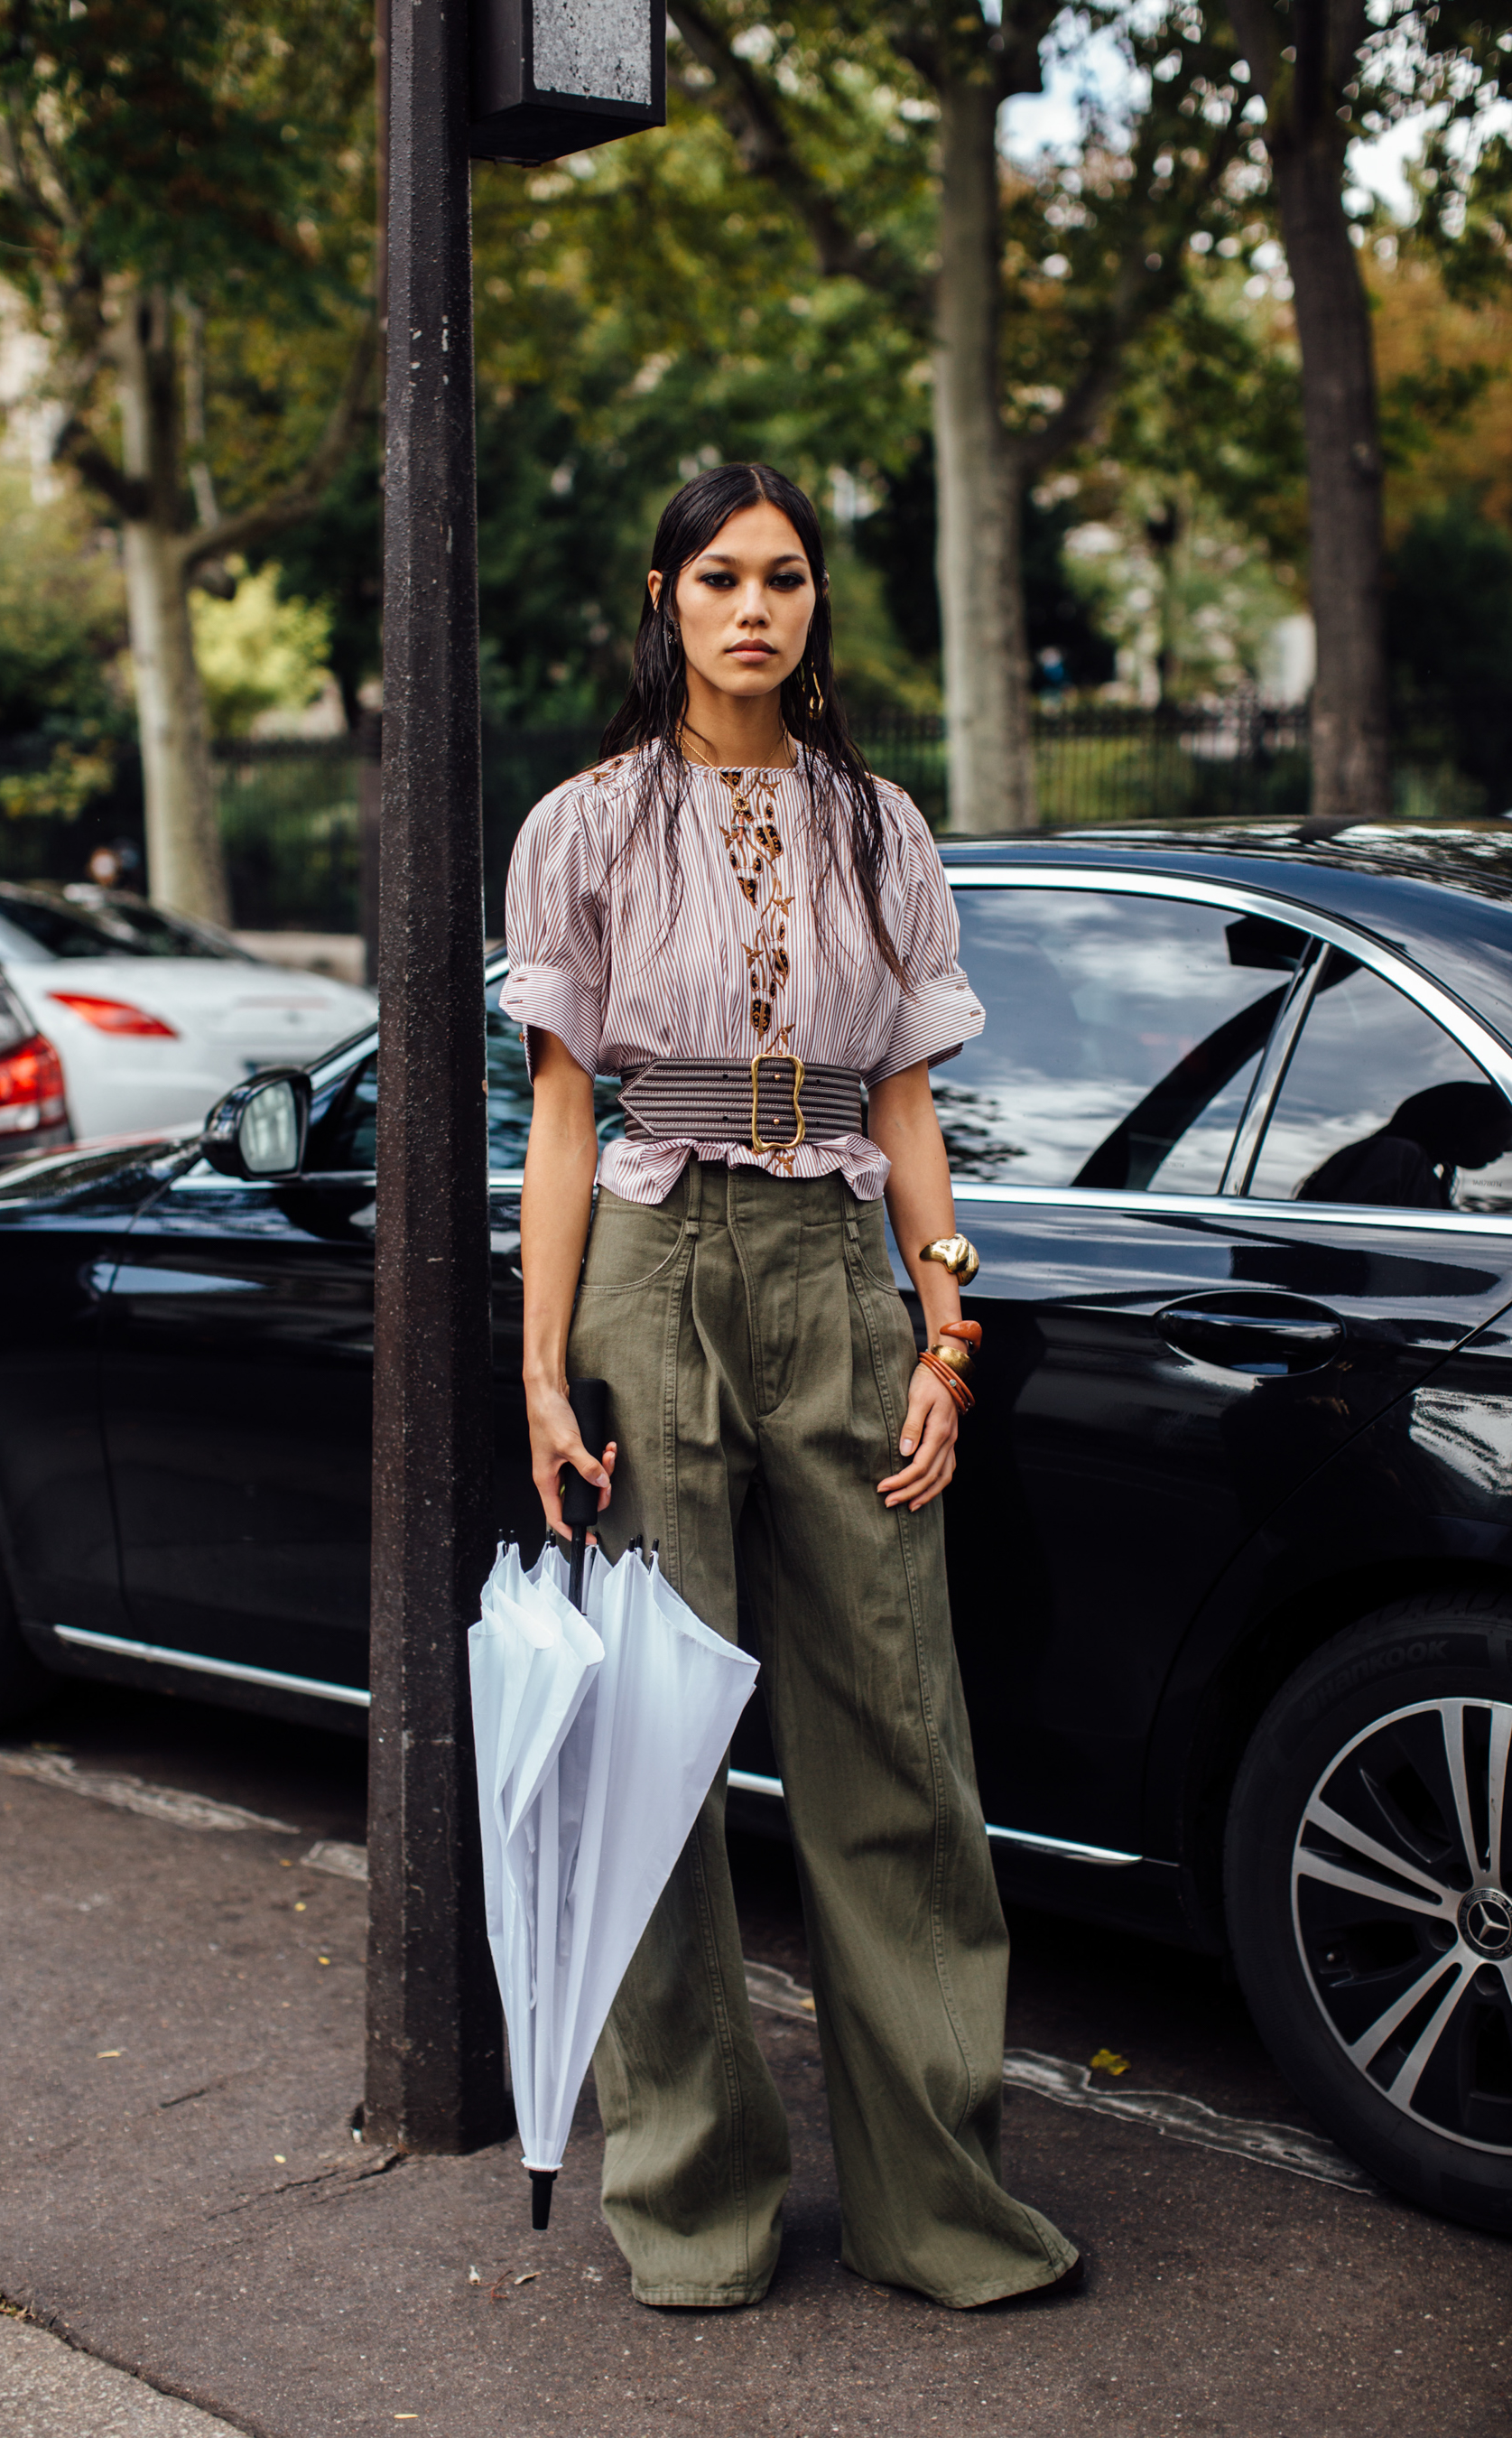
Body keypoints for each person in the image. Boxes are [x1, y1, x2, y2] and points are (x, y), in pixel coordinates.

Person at [501, 462, 1079, 2312]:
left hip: (836, 1267)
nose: (757, 609)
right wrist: (542, 1369)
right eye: (722, 577)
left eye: (788, 580)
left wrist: (945, 1329)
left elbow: (906, 1101)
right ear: (662, 596)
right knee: (654, 1745)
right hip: (652, 1277)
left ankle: (942, 2209)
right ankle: (696, 2207)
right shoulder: (583, 828)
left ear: (817, 607)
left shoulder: (875, 827)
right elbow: (567, 1117)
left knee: (899, 1738)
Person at [1296, 1080, 1512, 1209]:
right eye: (1508, 1133)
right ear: (1471, 1119)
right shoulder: (1397, 1155)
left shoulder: (1419, 1170)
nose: (1507, 1148)